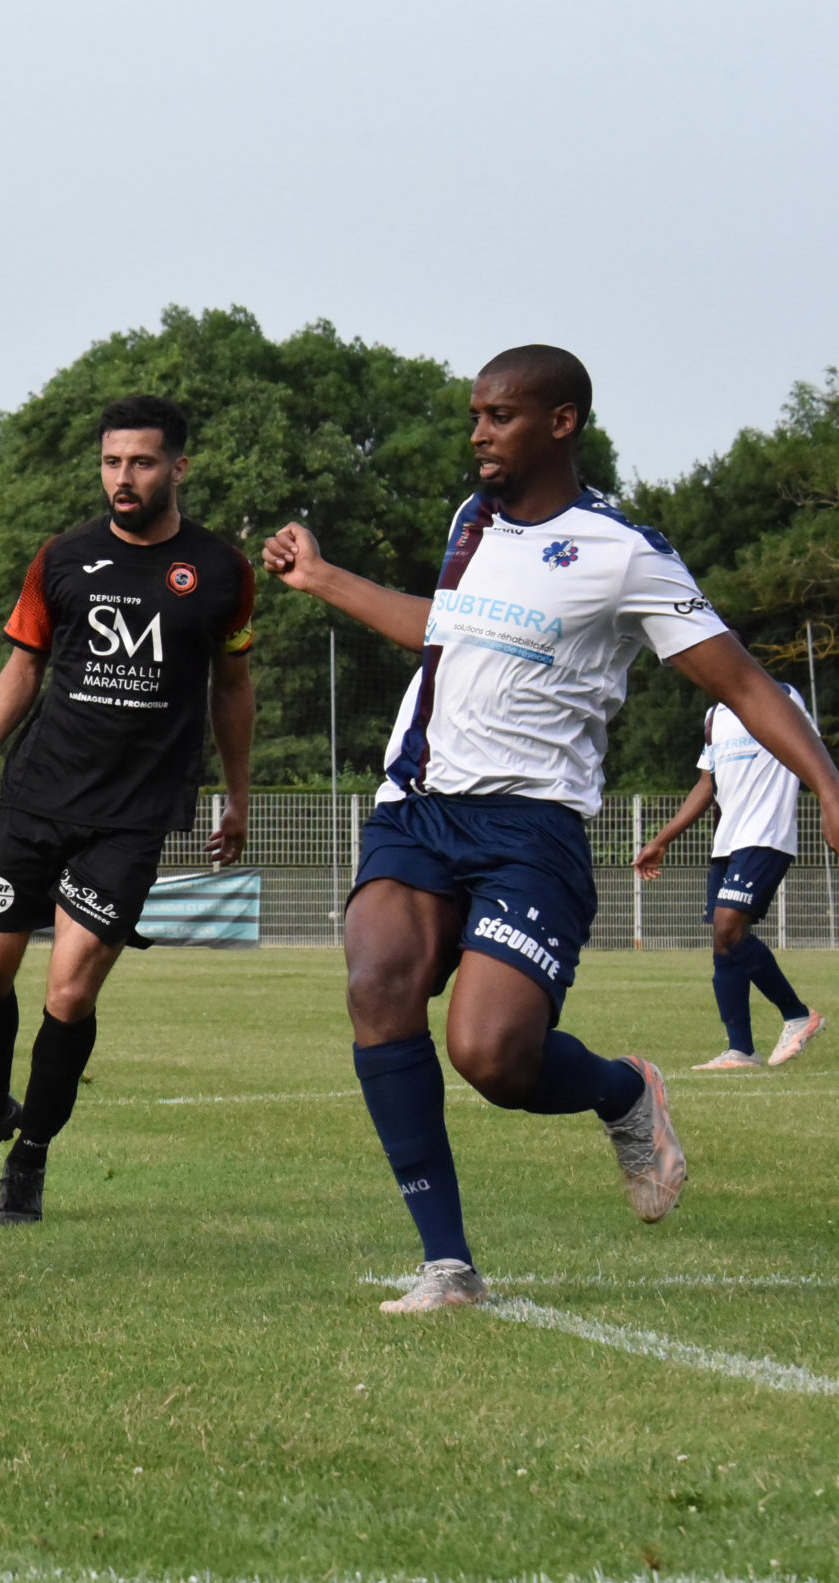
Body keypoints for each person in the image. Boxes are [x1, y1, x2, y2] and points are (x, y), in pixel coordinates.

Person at [263, 344, 839, 1314]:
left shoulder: (623, 551)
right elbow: (444, 630)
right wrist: (323, 578)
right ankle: (447, 1264)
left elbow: (742, 679)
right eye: (475, 415)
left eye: (500, 415)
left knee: (491, 1056)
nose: (478, 433)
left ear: (561, 422)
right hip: (417, 807)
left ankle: (623, 1091)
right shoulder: (472, 519)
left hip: (532, 828)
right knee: (376, 980)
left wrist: (825, 779)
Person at [0, 396, 255, 1224]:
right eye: (112, 462)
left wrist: (238, 793)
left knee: (70, 993)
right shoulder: (63, 557)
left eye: (141, 462)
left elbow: (233, 687)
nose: (124, 477)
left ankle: (30, 1155)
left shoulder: (221, 569)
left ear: (178, 467)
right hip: (38, 795)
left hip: (133, 815)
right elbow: (23, 665)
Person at [634, 685, 827, 1068]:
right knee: (723, 943)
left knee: (729, 927)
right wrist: (660, 840)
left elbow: (815, 757)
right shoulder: (714, 717)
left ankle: (797, 1014)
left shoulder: (780, 696)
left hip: (767, 835)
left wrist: (830, 804)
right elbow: (706, 785)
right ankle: (741, 1050)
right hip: (727, 842)